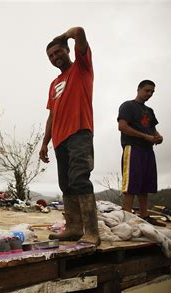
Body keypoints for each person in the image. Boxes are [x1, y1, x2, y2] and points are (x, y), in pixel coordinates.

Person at [39, 26, 100, 246]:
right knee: (66, 184)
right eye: (50, 56)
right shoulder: (53, 84)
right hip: (59, 139)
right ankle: (74, 227)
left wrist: (63, 37)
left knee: (80, 179)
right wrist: (44, 143)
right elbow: (52, 115)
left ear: (68, 50)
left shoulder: (82, 68)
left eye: (58, 52)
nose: (55, 57)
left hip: (79, 132)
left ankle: (92, 232)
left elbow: (80, 31)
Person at [117, 80, 164, 226]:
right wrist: (146, 137)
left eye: (152, 92)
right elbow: (122, 127)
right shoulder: (127, 105)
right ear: (138, 89)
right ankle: (127, 219)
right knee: (131, 185)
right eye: (147, 90)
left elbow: (152, 129)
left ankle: (144, 216)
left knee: (145, 185)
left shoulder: (149, 111)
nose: (149, 94)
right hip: (133, 148)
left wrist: (158, 137)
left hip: (148, 150)